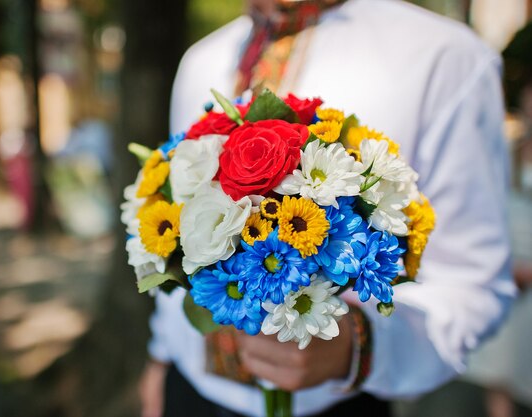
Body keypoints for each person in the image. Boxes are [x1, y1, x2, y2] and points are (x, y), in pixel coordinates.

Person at [138, 0, 515, 416]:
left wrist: (359, 347)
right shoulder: (201, 60)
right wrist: (162, 355)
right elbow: (179, 231)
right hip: (187, 393)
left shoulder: (444, 57)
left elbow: (473, 284)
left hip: (338, 404)